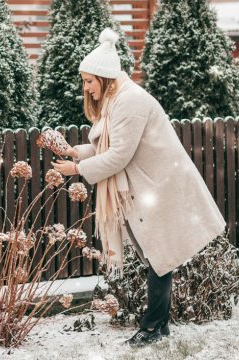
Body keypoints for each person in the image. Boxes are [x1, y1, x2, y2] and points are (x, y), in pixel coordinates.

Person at [51, 28, 226, 347]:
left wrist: (76, 169)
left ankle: (152, 327)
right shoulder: (117, 99)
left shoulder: (129, 101)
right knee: (157, 257)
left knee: (159, 255)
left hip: (160, 186)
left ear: (104, 78)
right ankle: (159, 325)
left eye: (89, 81)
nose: (86, 89)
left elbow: (118, 156)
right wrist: (78, 151)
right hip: (150, 186)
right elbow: (110, 144)